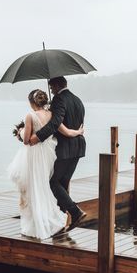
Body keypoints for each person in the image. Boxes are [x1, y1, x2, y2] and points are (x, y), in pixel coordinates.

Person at [8, 89, 83, 240]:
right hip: (48, 155)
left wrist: (20, 131)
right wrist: (79, 132)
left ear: (32, 102)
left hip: (34, 155)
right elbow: (67, 132)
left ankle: (37, 223)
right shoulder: (51, 115)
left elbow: (27, 140)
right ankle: (54, 218)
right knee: (43, 185)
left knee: (33, 187)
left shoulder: (30, 115)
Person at [29, 76, 87, 232]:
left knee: (53, 182)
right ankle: (60, 221)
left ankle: (75, 212)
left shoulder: (59, 100)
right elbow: (78, 123)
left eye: (51, 86)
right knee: (62, 183)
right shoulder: (78, 100)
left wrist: (37, 137)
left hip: (65, 149)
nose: (51, 90)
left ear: (56, 85)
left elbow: (55, 123)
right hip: (78, 147)